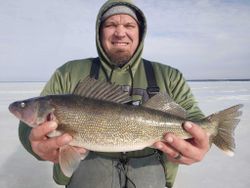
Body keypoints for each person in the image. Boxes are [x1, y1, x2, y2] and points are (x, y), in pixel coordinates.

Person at [19, 0, 209, 187]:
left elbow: (193, 117)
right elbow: (27, 129)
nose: (120, 32)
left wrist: (201, 140)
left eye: (129, 25)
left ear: (140, 33)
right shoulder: (68, 73)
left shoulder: (169, 76)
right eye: (111, 24)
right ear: (99, 32)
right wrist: (34, 143)